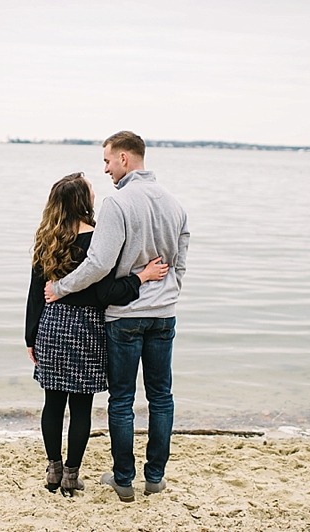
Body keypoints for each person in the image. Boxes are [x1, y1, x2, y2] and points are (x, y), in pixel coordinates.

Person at [45, 131, 189, 503]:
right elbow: (182, 262)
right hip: (164, 314)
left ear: (125, 158)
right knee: (161, 397)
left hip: (124, 316)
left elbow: (98, 264)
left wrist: (60, 288)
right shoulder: (175, 204)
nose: (106, 169)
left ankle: (124, 479)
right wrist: (168, 292)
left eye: (108, 161)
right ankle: (155, 477)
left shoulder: (118, 203)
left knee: (122, 400)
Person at [25, 171, 168, 496]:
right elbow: (105, 294)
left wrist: (30, 337)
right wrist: (142, 277)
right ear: (81, 200)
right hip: (87, 329)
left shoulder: (46, 236)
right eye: (90, 190)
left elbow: (36, 292)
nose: (95, 193)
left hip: (52, 325)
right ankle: (71, 476)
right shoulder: (96, 237)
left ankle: (53, 469)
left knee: (52, 403)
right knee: (80, 407)